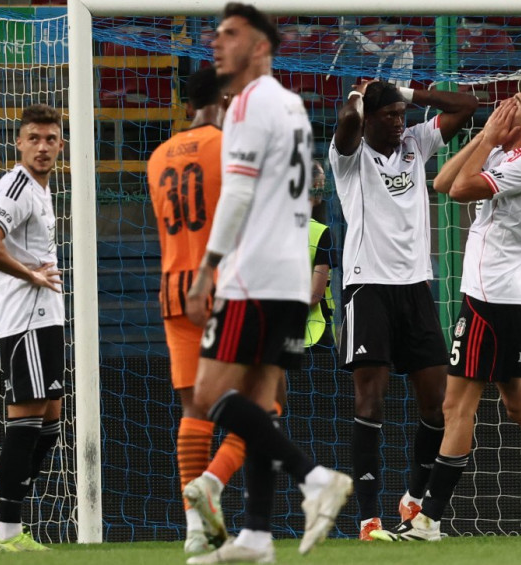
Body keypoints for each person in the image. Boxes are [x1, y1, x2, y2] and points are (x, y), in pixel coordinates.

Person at [373, 84, 521, 541]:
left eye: (514, 105)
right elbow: (440, 182)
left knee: (456, 405)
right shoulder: (503, 154)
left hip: (490, 299)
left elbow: (460, 189)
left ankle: (427, 521)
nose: (503, 107)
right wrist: (486, 137)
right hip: (504, 298)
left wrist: (485, 140)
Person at [183, 4, 352, 563]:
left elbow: (237, 193)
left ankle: (314, 477)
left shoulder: (248, 102)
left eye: (230, 34)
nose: (216, 42)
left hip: (252, 274)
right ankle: (256, 534)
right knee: (260, 401)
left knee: (208, 396)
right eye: (216, 33)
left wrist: (206, 269)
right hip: (289, 275)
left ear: (260, 47)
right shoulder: (292, 105)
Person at [329, 79, 477, 539]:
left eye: (401, 114)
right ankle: (368, 519)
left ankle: (413, 497)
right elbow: (347, 122)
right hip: (367, 287)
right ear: (369, 118)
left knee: (438, 404)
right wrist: (359, 96)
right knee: (370, 402)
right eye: (389, 115)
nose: (399, 123)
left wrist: (409, 94)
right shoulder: (349, 156)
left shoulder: (415, 142)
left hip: (415, 289)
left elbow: (468, 106)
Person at [146, 67, 250, 554]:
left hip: (174, 289)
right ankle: (212, 482)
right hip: (224, 287)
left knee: (195, 408)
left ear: (188, 105)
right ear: (226, 100)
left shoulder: (157, 158)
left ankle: (195, 529)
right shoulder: (229, 149)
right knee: (266, 405)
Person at [0, 104, 66, 552]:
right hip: (25, 319)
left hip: (47, 317)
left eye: (50, 139)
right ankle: (6, 530)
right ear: (19, 142)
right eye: (34, 138)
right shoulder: (16, 186)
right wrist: (30, 275)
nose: (42, 147)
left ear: (61, 145)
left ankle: (6, 523)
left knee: (50, 420)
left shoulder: (41, 190)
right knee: (27, 418)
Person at [305, 160, 338, 350]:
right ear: (316, 185)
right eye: (322, 182)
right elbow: (314, 295)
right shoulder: (321, 232)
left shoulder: (270, 230)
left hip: (276, 335)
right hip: (316, 334)